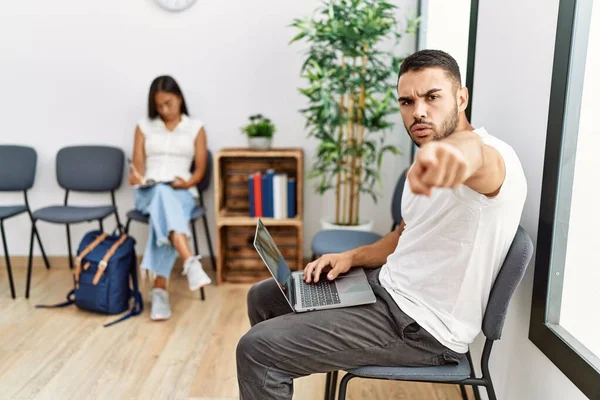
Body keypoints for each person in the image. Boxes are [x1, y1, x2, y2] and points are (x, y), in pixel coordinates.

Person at [235, 49, 527, 399]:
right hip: (385, 289)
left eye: (432, 97)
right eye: (407, 101)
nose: (418, 111)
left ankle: (276, 360)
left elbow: (474, 156)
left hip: (422, 328)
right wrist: (351, 257)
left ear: (461, 98)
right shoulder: (424, 158)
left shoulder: (492, 158)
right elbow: (404, 235)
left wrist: (452, 154)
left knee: (257, 349)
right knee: (266, 296)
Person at [129, 75, 212, 321]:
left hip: (181, 191)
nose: (164, 110)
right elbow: (138, 170)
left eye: (169, 103)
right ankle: (189, 261)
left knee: (164, 208)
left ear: (179, 98)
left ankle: (160, 293)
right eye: (159, 106)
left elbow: (199, 171)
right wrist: (136, 177)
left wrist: (187, 182)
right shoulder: (144, 126)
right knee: (161, 194)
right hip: (149, 192)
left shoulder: (195, 127)